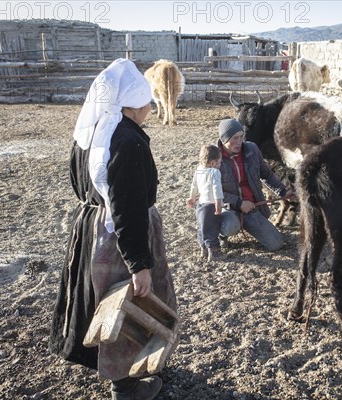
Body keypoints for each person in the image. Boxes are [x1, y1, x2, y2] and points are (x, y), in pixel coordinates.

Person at [49, 58, 178, 400]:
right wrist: (139, 264)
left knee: (104, 301)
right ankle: (126, 386)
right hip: (120, 236)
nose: (152, 106)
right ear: (133, 103)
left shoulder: (88, 134)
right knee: (129, 300)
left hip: (91, 230)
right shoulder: (128, 142)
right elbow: (128, 208)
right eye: (148, 100)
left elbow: (79, 185)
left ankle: (126, 373)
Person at [217, 118, 293, 251]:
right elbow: (211, 193)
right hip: (227, 208)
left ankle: (249, 223)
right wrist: (239, 203)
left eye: (241, 137)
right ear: (224, 139)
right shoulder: (213, 158)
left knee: (276, 244)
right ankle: (221, 235)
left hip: (251, 207)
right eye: (234, 138)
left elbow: (267, 175)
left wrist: (283, 192)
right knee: (230, 226)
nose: (239, 142)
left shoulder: (252, 149)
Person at [186, 144, 225, 261]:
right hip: (210, 205)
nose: (220, 165)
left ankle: (203, 250)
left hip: (200, 205)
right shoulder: (214, 172)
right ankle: (214, 254)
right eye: (219, 163)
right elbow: (216, 189)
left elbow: (194, 185)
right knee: (211, 230)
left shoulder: (198, 170)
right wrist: (218, 204)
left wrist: (191, 197)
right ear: (213, 163)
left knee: (202, 228)